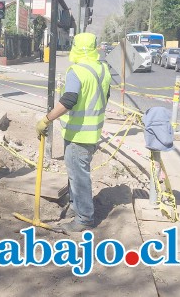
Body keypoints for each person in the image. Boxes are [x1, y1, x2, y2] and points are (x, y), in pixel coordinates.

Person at [36, 33, 111, 232]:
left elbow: (68, 101)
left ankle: (84, 218)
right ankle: (75, 207)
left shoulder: (76, 71)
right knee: (76, 174)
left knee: (79, 177)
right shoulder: (103, 68)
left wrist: (46, 119)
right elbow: (105, 97)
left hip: (78, 134)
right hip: (93, 133)